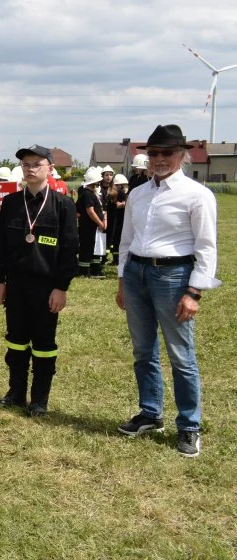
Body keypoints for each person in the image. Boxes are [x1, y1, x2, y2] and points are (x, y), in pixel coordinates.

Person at [116, 125, 220, 458]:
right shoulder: (138, 193)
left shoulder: (196, 195)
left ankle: (189, 426)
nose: (159, 159)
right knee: (142, 350)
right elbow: (126, 241)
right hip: (136, 273)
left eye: (167, 153)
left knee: (181, 356)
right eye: (155, 153)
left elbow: (206, 247)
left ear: (182, 156)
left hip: (174, 276)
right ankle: (150, 413)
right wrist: (122, 280)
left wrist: (195, 292)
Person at [0, 145, 78, 416]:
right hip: (16, 284)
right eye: (26, 164)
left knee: (43, 345)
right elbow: (1, 246)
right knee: (16, 341)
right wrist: (0, 280)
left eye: (36, 164)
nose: (30, 169)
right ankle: (15, 392)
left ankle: (39, 398)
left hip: (46, 287)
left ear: (50, 169)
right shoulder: (12, 204)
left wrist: (61, 287)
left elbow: (69, 249)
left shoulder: (63, 204)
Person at [76, 167, 106, 278]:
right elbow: (90, 211)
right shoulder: (88, 194)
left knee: (92, 247)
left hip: (92, 226)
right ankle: (83, 272)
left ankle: (93, 270)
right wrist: (100, 223)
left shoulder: (89, 193)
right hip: (88, 226)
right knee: (86, 247)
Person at [107, 174, 129, 265]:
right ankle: (118, 259)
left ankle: (116, 259)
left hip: (115, 220)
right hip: (121, 219)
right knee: (118, 240)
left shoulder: (112, 194)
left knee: (116, 240)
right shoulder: (122, 193)